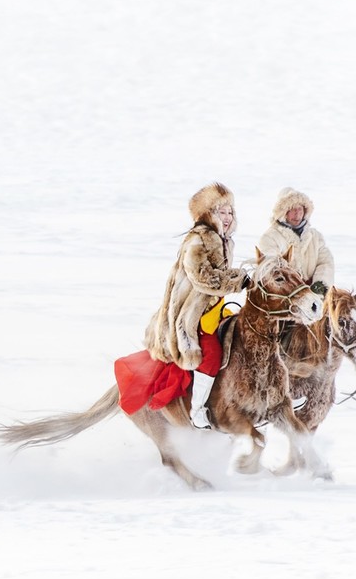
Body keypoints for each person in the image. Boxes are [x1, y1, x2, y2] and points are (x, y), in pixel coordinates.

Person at [143, 183, 249, 428]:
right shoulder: (198, 240)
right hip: (190, 312)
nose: (227, 217)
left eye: (230, 212)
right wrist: (238, 280)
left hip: (212, 307)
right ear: (208, 213)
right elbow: (202, 278)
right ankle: (197, 410)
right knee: (211, 354)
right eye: (221, 212)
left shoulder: (225, 241)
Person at [256, 187, 334, 295]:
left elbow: (325, 262)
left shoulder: (315, 236)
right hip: (285, 299)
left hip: (314, 295)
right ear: (283, 212)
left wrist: (320, 283)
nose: (297, 214)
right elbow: (271, 270)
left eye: (300, 209)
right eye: (292, 209)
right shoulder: (270, 238)